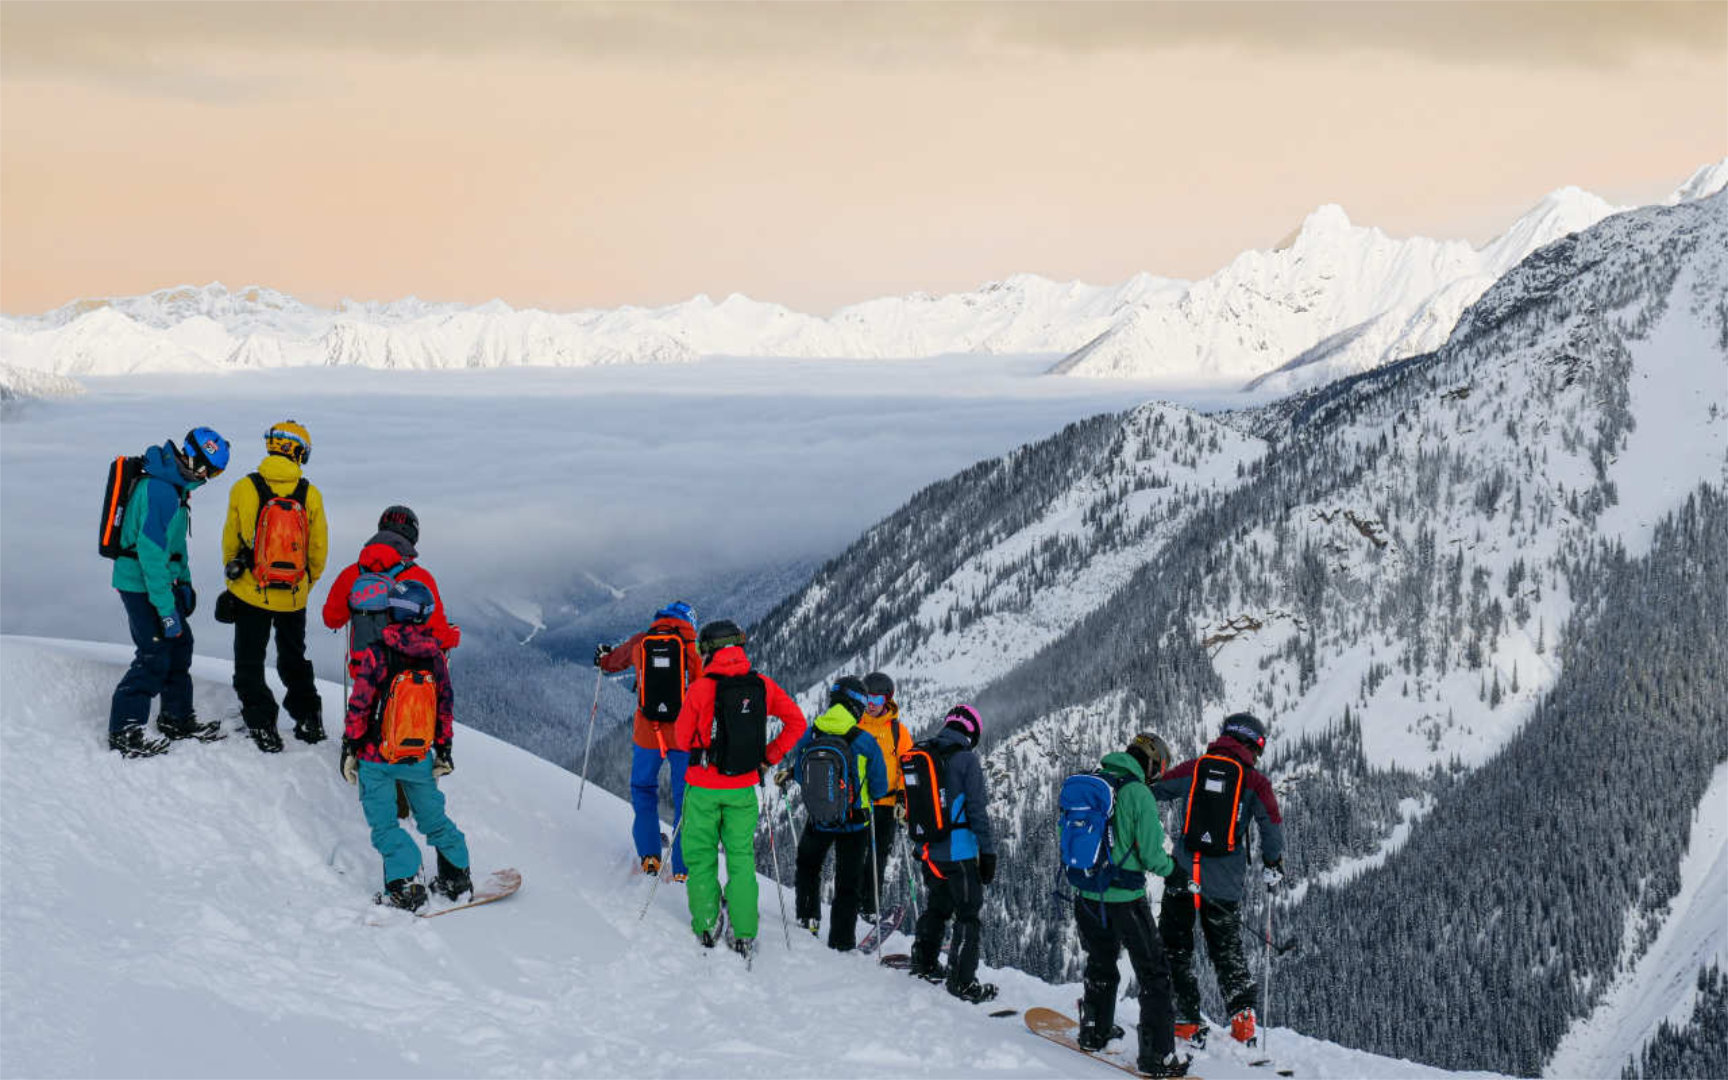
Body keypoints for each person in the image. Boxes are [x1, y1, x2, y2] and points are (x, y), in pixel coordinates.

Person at [672, 619, 806, 959]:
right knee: (741, 859)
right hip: (743, 787)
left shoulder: (701, 688)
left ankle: (706, 923)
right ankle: (744, 931)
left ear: (708, 651)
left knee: (700, 856)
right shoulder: (761, 685)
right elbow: (796, 722)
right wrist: (767, 759)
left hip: (702, 787)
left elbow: (680, 738)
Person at [1152, 713, 1286, 1046]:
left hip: (1183, 872)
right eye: (1258, 750)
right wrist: (1273, 863)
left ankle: (1183, 1018)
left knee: (1175, 946)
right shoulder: (1255, 782)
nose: (1257, 757)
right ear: (1251, 744)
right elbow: (1271, 826)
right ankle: (1243, 1024)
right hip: (1223, 882)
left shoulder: (1196, 768)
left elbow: (1159, 788)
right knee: (1226, 951)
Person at [338, 578, 471, 912]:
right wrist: (444, 749)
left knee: (385, 826)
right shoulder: (435, 658)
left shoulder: (377, 653)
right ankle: (456, 876)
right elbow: (444, 707)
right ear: (424, 615)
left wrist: (351, 746)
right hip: (418, 757)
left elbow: (360, 704)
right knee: (433, 819)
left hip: (376, 757)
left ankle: (407, 884)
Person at [1069, 732, 1191, 1079]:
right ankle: (1158, 1057)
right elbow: (1152, 855)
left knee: (1101, 961)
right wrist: (1174, 872)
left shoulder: (1095, 780)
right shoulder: (1138, 793)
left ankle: (1094, 1029)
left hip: (1087, 894)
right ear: (1151, 763)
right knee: (1154, 973)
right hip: (1124, 898)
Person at [107, 428, 231, 756]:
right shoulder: (160, 491)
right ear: (193, 458)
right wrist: (165, 610)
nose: (209, 477)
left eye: (215, 473)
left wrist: (185, 582)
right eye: (209, 469)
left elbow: (176, 547)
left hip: (161, 582)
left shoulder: (177, 489)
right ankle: (125, 729)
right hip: (139, 583)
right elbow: (150, 556)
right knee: (154, 651)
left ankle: (176, 717)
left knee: (180, 646)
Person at [221, 420, 329, 752]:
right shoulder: (310, 494)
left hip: (252, 592)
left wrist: (236, 582)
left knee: (250, 660)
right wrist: (303, 585)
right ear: (297, 451)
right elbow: (318, 551)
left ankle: (262, 724)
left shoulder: (244, 487)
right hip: (293, 597)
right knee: (294, 658)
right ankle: (309, 718)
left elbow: (230, 541)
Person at [595, 601, 703, 878]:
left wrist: (603, 658)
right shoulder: (693, 648)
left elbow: (612, 662)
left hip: (648, 732)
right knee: (685, 800)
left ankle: (650, 858)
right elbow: (704, 689)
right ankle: (682, 869)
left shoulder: (642, 641)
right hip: (683, 736)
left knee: (643, 790)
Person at [783, 675, 888, 951]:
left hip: (819, 817)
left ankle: (807, 919)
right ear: (856, 705)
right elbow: (880, 787)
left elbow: (797, 773)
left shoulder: (812, 733)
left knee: (808, 866)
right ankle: (841, 941)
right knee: (848, 883)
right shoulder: (864, 740)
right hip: (855, 823)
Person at [906, 703, 998, 1003]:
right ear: (971, 731)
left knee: (938, 906)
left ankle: (924, 960)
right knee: (968, 915)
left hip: (929, 851)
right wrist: (987, 852)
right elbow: (977, 811)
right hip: (959, 853)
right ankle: (962, 982)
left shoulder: (924, 753)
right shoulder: (965, 760)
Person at [321, 505, 461, 675]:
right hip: (404, 673)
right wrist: (453, 635)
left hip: (364, 671)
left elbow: (331, 619)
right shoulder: (419, 577)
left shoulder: (352, 574)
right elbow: (437, 633)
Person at [856, 671, 912, 921]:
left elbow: (906, 767)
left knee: (877, 857)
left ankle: (869, 906)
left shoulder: (899, 732)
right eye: (868, 698)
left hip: (886, 804)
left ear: (887, 701)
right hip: (859, 802)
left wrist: (902, 796)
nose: (871, 705)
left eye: (877, 701)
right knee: (855, 854)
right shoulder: (855, 725)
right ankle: (852, 902)